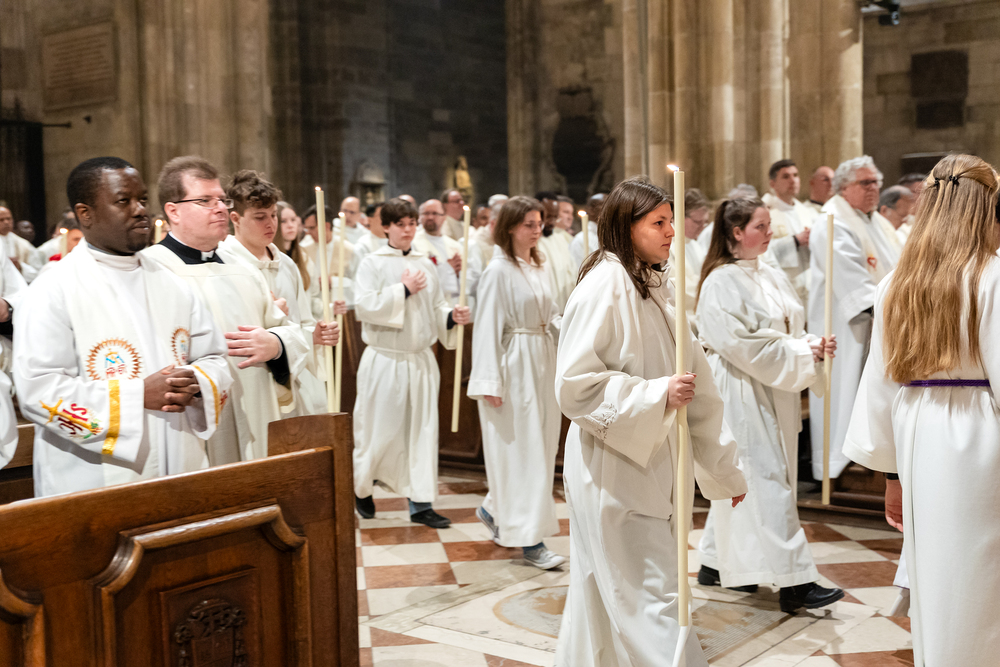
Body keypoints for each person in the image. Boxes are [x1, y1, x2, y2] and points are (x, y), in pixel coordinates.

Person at [554, 177, 747, 667]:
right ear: (627, 226)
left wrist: (722, 469)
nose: (671, 232)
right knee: (646, 593)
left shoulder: (657, 285)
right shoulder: (604, 286)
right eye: (659, 222)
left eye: (672, 221)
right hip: (612, 461)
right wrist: (656, 394)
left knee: (619, 589)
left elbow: (698, 384)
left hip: (657, 455)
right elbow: (575, 386)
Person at [843, 154, 1000, 666]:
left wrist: (891, 476)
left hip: (916, 429)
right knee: (981, 573)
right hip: (981, 431)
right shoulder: (992, 276)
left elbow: (881, 384)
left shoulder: (897, 283)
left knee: (938, 570)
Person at [14, 157, 232, 497]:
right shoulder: (53, 289)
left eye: (142, 199)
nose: (140, 210)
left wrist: (198, 381)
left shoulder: (173, 283)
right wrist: (137, 395)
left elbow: (214, 357)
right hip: (93, 477)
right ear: (85, 214)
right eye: (123, 201)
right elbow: (38, 390)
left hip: (180, 462)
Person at [694, 197, 843, 612]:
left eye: (769, 224)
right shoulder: (720, 281)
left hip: (773, 385)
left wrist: (812, 343)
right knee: (765, 482)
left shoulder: (769, 272)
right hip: (741, 387)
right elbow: (739, 343)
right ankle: (796, 582)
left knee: (750, 482)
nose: (770, 233)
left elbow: (786, 328)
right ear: (736, 232)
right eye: (760, 226)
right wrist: (803, 351)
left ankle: (715, 563)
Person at [144, 156, 309, 464]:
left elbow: (290, 332)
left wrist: (275, 344)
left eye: (221, 199)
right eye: (205, 200)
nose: (220, 207)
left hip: (255, 412)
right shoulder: (151, 271)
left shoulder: (244, 268)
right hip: (193, 422)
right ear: (173, 211)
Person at [352, 198, 471, 528]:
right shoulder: (372, 263)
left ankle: (421, 504)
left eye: (411, 224)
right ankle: (362, 488)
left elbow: (436, 307)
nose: (407, 230)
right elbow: (364, 306)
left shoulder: (426, 263)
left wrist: (452, 317)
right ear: (386, 227)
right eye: (400, 225)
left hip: (419, 360)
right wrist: (402, 290)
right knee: (378, 430)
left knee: (422, 433)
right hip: (385, 359)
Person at [468, 196, 565, 570]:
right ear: (509, 228)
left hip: (542, 360)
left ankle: (494, 509)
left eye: (539, 223)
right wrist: (489, 380)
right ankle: (531, 541)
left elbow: (551, 315)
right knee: (523, 452)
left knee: (540, 448)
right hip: (514, 366)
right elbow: (487, 327)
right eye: (529, 224)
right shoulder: (498, 271)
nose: (538, 229)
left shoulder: (539, 264)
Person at [218, 170, 342, 417]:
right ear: (236, 218)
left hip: (291, 379)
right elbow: (229, 332)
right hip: (248, 384)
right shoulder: (223, 265)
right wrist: (271, 316)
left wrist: (315, 335)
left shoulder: (286, 264)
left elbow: (303, 323)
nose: (270, 224)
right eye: (260, 217)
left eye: (273, 215)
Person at [807, 155, 900, 482]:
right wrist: (899, 311)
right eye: (866, 182)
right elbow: (856, 288)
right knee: (844, 395)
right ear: (843, 188)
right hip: (847, 330)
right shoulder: (832, 222)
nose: (874, 188)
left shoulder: (874, 221)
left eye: (876, 182)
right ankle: (840, 468)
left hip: (878, 324)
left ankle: (870, 460)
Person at [414, 198, 481, 312]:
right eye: (426, 213)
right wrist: (447, 269)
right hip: (425, 306)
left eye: (435, 213)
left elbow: (468, 281)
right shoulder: (414, 244)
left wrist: (458, 273)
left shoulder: (455, 246)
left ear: (444, 217)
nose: (430, 217)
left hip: (452, 305)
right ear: (420, 217)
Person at [762, 160, 814, 304]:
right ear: (773, 184)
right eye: (786, 176)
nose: (793, 180)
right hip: (783, 288)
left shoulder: (806, 212)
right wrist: (795, 241)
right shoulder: (766, 213)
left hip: (810, 285)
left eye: (795, 175)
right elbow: (761, 252)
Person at [301, 203, 356, 311]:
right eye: (306, 229)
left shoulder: (349, 250)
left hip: (342, 311)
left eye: (311, 228)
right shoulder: (304, 250)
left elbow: (358, 284)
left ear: (326, 226)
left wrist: (333, 282)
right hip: (313, 310)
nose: (308, 233)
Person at [669, 188, 710, 323]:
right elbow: (674, 285)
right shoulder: (668, 244)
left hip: (700, 311)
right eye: (698, 222)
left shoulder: (694, 244)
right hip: (682, 317)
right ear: (680, 216)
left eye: (705, 222)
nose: (702, 227)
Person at [535, 192, 576, 313]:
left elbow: (572, 273)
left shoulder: (561, 239)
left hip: (564, 309)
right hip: (544, 311)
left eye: (555, 217)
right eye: (548, 217)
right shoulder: (533, 242)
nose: (552, 222)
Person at [0, 205, 38, 282]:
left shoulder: (24, 245)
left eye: (8, 219)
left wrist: (20, 267)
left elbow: (37, 273)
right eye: (1, 220)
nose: (6, 222)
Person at [568, 193, 605, 271]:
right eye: (604, 205)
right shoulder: (580, 240)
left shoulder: (611, 237)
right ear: (591, 210)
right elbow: (578, 270)